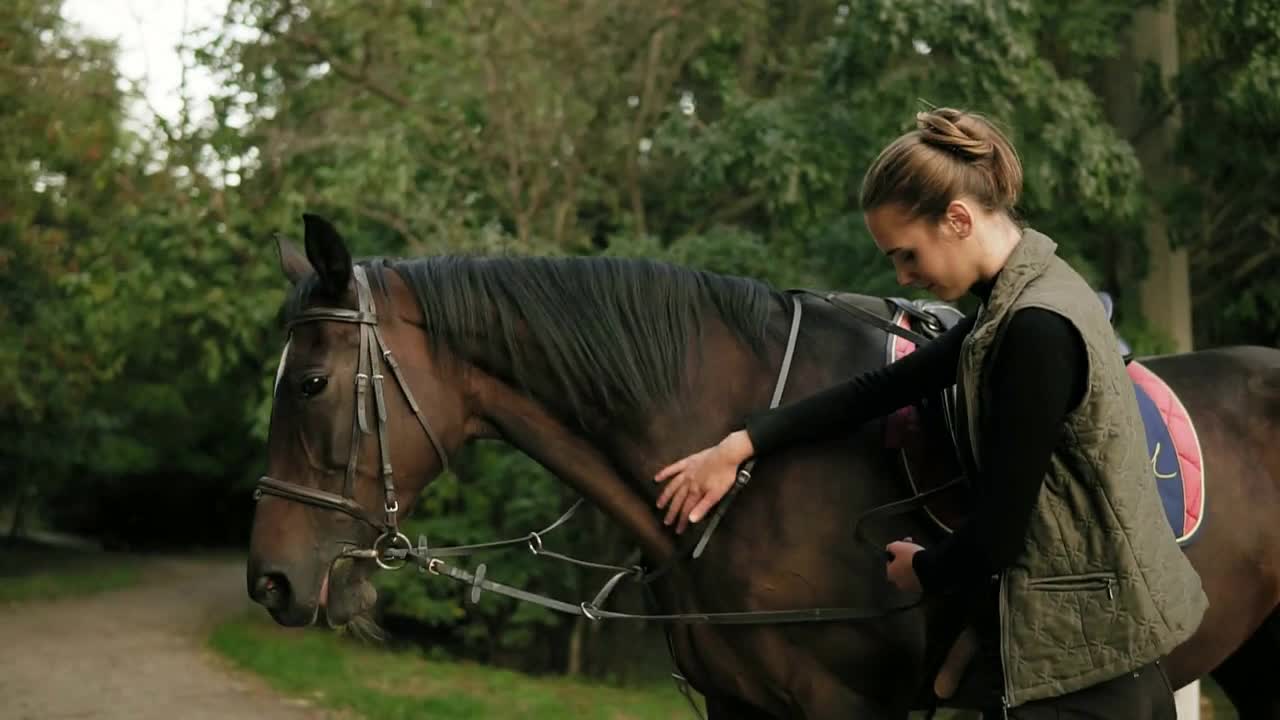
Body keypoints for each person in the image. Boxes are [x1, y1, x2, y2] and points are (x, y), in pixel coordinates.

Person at [653, 108, 1207, 718]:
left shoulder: (1035, 330)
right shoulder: (1026, 297)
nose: (905, 277)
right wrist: (742, 444)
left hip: (1080, 673)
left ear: (959, 219)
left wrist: (925, 568)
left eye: (908, 255)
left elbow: (997, 537)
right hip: (1097, 656)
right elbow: (882, 387)